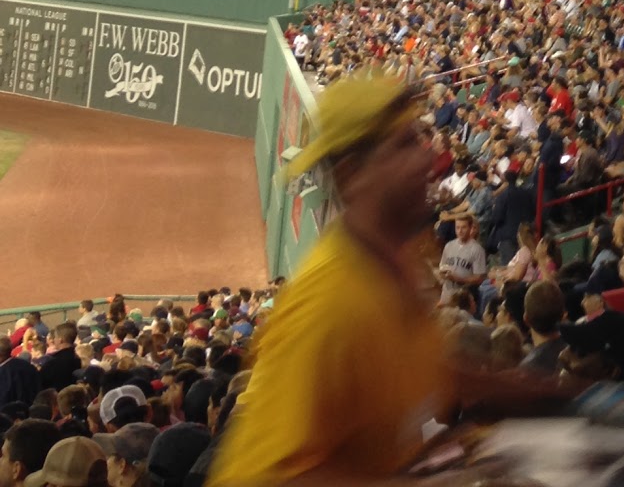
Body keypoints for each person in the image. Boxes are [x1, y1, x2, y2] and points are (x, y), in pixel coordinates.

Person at [208, 72, 563, 486]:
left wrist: (548, 396)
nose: (426, 159)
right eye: (403, 146)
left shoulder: (399, 260)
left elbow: (426, 372)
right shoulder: (326, 303)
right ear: (351, 173)